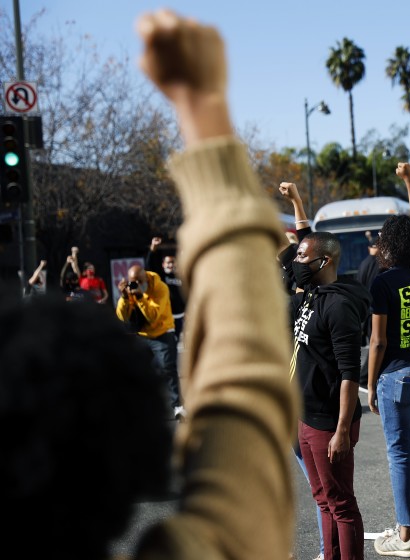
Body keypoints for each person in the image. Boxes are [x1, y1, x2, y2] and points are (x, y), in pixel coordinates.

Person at [0, 9, 300, 559]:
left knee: (169, 372)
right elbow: (242, 400)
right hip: (149, 341)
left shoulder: (154, 288)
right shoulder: (128, 292)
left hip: (160, 337)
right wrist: (201, 105)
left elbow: (157, 311)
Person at [368, 161, 410, 557]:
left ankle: (406, 536)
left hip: (395, 375)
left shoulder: (383, 281)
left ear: (388, 244)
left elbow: (377, 342)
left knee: (398, 455)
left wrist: (371, 386)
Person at [291, 230, 371, 560]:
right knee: (323, 499)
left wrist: (341, 432)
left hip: (328, 423)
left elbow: (350, 374)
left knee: (341, 504)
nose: (296, 263)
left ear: (324, 262)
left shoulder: (338, 306)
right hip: (305, 416)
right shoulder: (310, 295)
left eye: (301, 257)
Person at [277, 180, 325, 560]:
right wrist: (295, 200)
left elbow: (305, 238)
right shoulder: (308, 301)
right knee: (324, 492)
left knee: (321, 492)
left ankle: (330, 551)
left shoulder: (283, 305)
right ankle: (331, 550)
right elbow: (306, 240)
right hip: (303, 406)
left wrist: (296, 200)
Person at [116, 263, 185, 420]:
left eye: (140, 282)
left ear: (145, 278)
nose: (137, 286)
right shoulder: (131, 288)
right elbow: (123, 316)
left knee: (168, 369)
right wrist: (125, 298)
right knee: (138, 371)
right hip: (142, 334)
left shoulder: (160, 288)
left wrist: (140, 297)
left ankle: (177, 406)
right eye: (134, 282)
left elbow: (153, 315)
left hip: (162, 332)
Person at [147, 237, 187, 340]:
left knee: (176, 340)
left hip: (179, 316)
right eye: (168, 263)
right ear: (163, 264)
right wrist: (153, 249)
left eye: (172, 263)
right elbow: (150, 266)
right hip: (166, 316)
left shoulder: (180, 276)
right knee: (169, 342)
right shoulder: (161, 276)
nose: (170, 265)